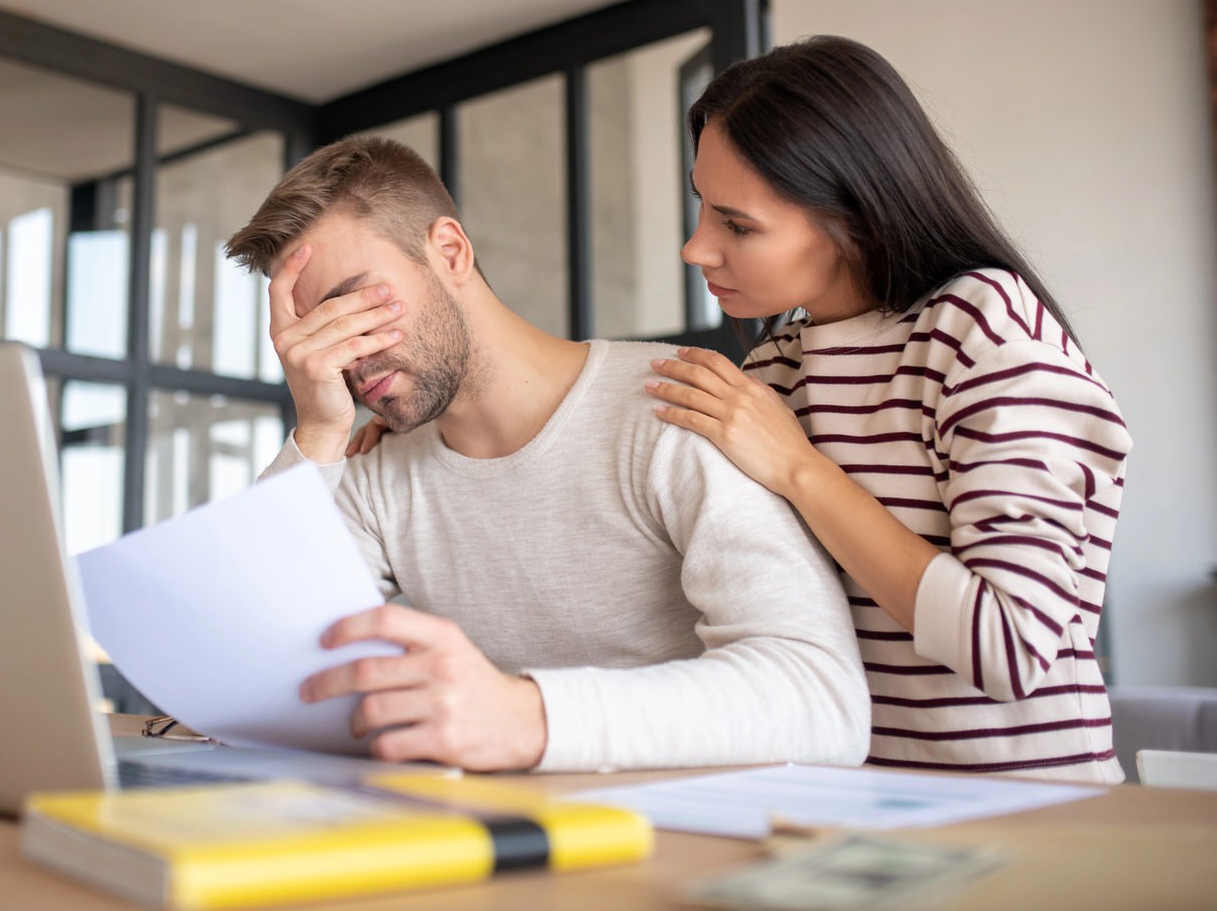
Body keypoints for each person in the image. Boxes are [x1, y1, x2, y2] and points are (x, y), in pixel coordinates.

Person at [224, 135, 870, 774]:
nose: (339, 351)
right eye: (309, 332)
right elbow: (248, 668)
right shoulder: (372, 472)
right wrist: (317, 430)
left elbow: (822, 701)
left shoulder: (679, 409)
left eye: (352, 306)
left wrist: (528, 717)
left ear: (448, 251)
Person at [645, 35, 1130, 782]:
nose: (694, 248)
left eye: (736, 225)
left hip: (1031, 815)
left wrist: (801, 471)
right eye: (701, 209)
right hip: (854, 810)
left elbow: (1009, 648)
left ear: (856, 217)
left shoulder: (981, 336)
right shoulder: (774, 371)